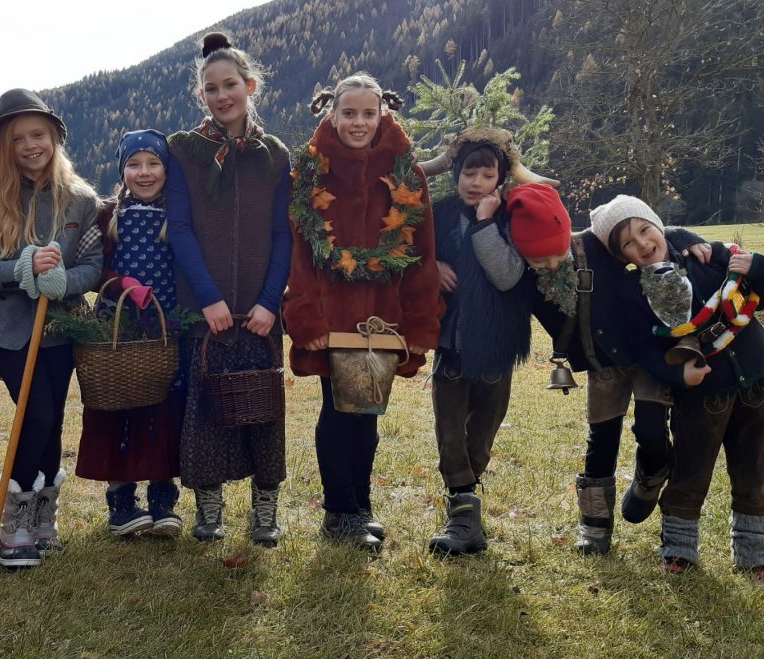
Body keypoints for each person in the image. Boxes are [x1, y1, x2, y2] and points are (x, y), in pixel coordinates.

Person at [284, 74, 441, 552]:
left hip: (384, 313)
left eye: (367, 114)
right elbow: (299, 252)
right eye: (348, 113)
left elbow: (422, 252)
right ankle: (339, 511)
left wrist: (419, 321)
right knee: (337, 410)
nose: (358, 122)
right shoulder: (311, 172)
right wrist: (305, 315)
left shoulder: (406, 174)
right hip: (332, 315)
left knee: (368, 412)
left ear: (383, 115)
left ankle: (361, 506)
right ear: (331, 115)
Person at [508, 185, 708, 555]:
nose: (550, 264)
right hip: (602, 365)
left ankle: (651, 474)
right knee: (601, 442)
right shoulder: (522, 272)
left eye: (555, 254)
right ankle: (594, 527)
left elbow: (648, 231)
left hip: (647, 351)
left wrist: (687, 237)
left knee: (652, 429)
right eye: (538, 261)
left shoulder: (592, 244)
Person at [592, 196, 764, 581]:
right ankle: (679, 549)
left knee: (753, 467)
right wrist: (679, 378)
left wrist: (760, 266)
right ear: (623, 256)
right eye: (629, 243)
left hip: (755, 378)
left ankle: (756, 553)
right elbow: (644, 349)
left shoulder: (705, 257)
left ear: (657, 225)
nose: (643, 244)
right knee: (691, 469)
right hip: (700, 394)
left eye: (644, 230)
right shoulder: (634, 292)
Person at [166, 32, 292, 546]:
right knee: (207, 410)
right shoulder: (184, 151)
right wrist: (208, 298)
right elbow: (180, 227)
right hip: (207, 309)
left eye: (231, 85)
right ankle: (210, 506)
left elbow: (284, 234)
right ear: (202, 96)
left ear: (250, 86)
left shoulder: (274, 154)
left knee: (263, 409)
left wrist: (268, 301)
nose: (222, 96)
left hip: (260, 311)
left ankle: (265, 508)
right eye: (211, 88)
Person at [0, 89, 101, 567]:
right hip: (11, 331)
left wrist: (65, 281)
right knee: (36, 416)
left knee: (54, 422)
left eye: (38, 135)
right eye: (18, 138)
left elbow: (93, 265)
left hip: (62, 328)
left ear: (54, 138)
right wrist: (22, 267)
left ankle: (44, 514)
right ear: (5, 148)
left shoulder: (81, 201)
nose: (30, 145)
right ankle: (16, 523)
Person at [420, 128, 538, 557]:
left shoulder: (516, 216)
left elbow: (507, 274)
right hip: (452, 340)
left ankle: (465, 503)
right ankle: (464, 514)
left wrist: (487, 223)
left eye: (486, 175)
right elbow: (410, 251)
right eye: (469, 173)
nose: (475, 183)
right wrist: (431, 265)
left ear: (499, 179)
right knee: (448, 428)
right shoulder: (440, 213)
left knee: (481, 432)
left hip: (496, 344)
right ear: (456, 175)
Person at [75, 129, 184, 538]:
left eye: (153, 163)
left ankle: (162, 498)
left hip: (164, 328)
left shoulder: (178, 215)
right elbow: (91, 266)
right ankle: (121, 501)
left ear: (166, 169)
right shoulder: (107, 214)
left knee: (161, 408)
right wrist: (122, 285)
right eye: (134, 165)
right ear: (122, 171)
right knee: (117, 406)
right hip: (116, 329)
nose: (144, 172)